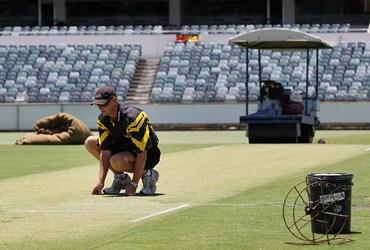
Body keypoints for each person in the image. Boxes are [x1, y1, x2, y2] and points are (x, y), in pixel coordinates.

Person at [85, 86, 160, 196]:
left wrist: (134, 184)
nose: (100, 107)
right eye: (98, 104)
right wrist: (100, 182)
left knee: (116, 161)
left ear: (114, 100)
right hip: (124, 149)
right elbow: (105, 152)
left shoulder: (133, 117)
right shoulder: (103, 119)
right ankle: (121, 178)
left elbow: (142, 152)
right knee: (90, 143)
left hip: (148, 154)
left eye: (104, 104)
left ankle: (148, 174)